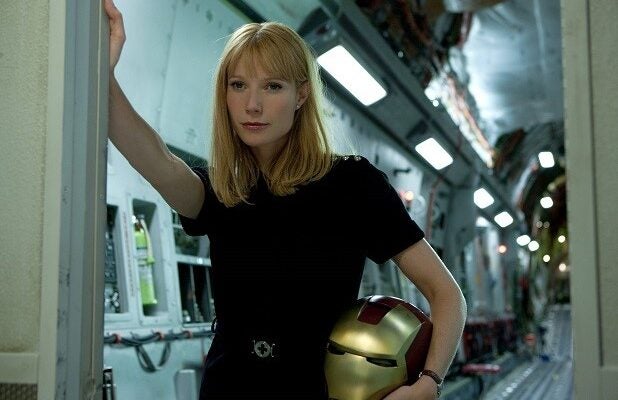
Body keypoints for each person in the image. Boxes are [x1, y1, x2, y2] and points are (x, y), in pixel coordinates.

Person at [104, 0, 467, 398]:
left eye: (272, 86)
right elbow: (155, 159)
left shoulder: (353, 184)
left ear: (301, 94)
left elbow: (446, 294)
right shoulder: (224, 189)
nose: (252, 104)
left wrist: (429, 382)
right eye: (238, 85)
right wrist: (103, 74)